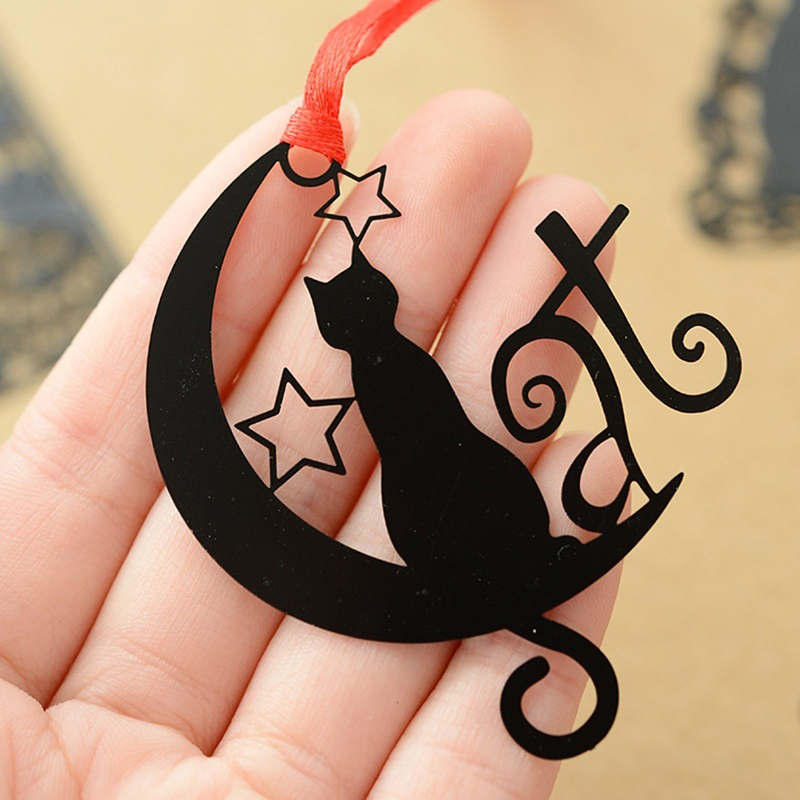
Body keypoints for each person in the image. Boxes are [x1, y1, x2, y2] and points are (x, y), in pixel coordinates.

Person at [0, 90, 623, 799]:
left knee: (484, 481)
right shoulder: (377, 365)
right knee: (471, 489)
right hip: (434, 511)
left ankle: (524, 560)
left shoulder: (382, 358)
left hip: (451, 495)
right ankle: (515, 565)